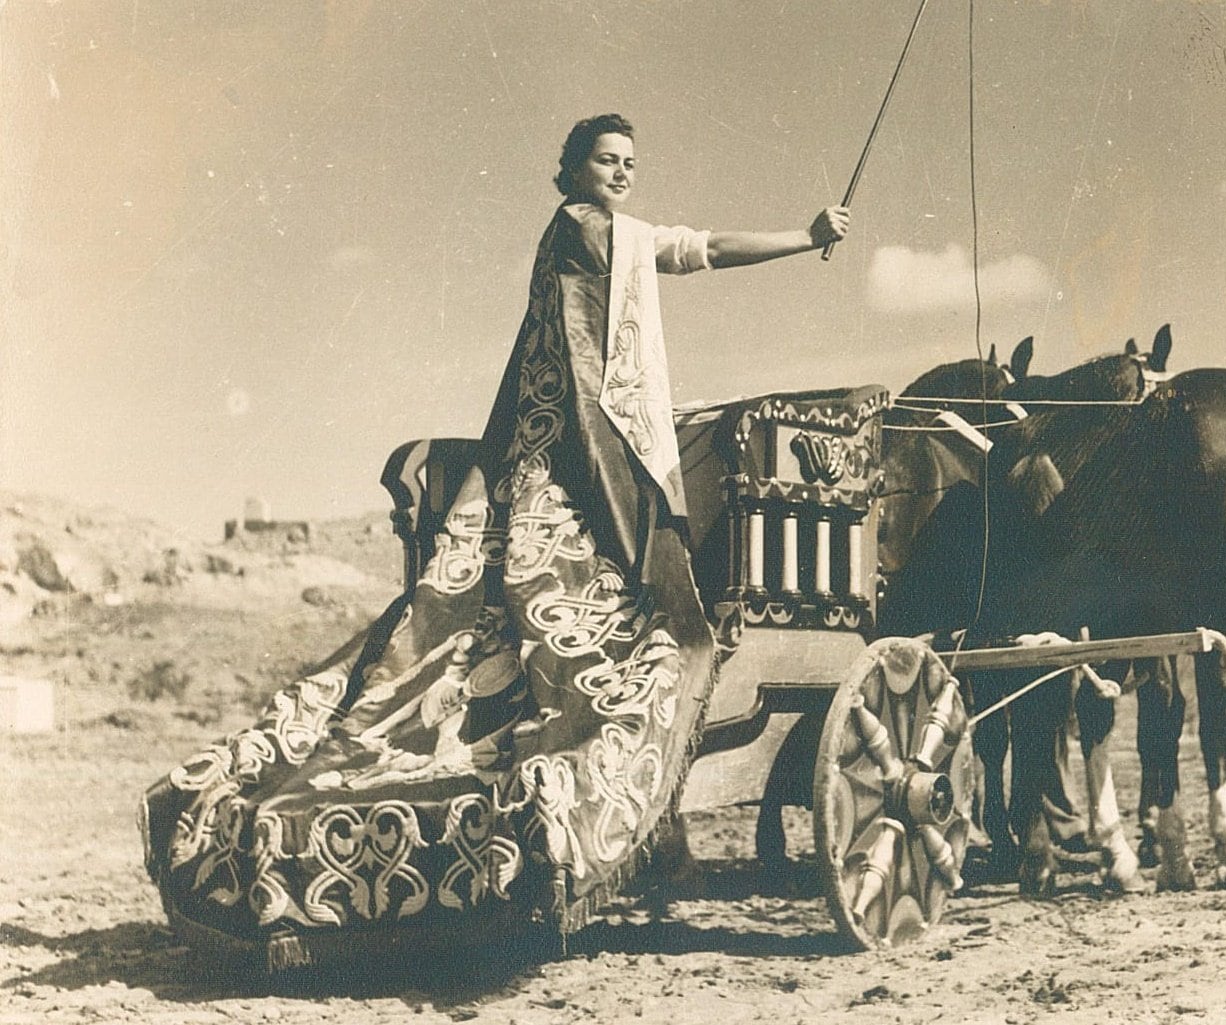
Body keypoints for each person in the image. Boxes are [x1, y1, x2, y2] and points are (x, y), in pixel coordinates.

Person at [141, 112, 850, 967]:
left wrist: (803, 236)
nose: (621, 171)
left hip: (550, 451)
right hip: (584, 461)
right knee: (661, 638)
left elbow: (698, 249)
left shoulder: (598, 235)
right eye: (606, 158)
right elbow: (604, 369)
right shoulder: (590, 236)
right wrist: (805, 239)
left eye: (631, 161)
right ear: (573, 167)